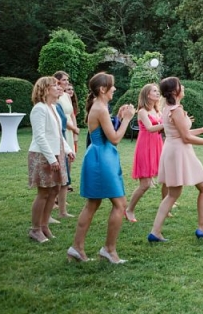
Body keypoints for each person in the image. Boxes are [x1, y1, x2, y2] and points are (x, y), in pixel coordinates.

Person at [67, 72, 135, 264]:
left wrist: (120, 118)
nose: (114, 88)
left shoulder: (100, 106)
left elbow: (108, 132)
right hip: (101, 159)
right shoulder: (100, 108)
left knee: (93, 204)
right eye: (112, 86)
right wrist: (128, 119)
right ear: (103, 89)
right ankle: (108, 250)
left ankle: (77, 248)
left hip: (101, 156)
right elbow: (114, 139)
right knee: (120, 204)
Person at [147, 77, 203, 243]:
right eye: (180, 85)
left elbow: (180, 133)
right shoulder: (177, 109)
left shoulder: (169, 108)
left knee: (174, 193)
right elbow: (186, 137)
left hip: (173, 149)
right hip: (180, 151)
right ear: (175, 91)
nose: (183, 87)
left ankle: (155, 232)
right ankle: (202, 228)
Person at [27, 76, 68, 243]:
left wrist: (68, 149)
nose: (58, 88)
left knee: (55, 190)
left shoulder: (53, 107)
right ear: (45, 89)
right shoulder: (39, 109)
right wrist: (52, 159)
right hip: (42, 155)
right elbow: (40, 136)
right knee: (44, 192)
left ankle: (44, 225)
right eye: (54, 85)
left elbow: (57, 134)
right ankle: (35, 229)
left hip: (56, 153)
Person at [125, 83, 165, 223]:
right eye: (154, 91)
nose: (157, 93)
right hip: (145, 147)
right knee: (145, 184)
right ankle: (129, 209)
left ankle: (165, 207)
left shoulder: (158, 111)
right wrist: (168, 123)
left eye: (158, 91)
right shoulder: (142, 111)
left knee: (165, 177)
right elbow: (150, 128)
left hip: (157, 145)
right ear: (148, 94)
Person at [53, 71, 79, 219]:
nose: (66, 83)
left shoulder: (65, 96)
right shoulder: (55, 100)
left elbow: (71, 115)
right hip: (62, 132)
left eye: (67, 80)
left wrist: (75, 133)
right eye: (64, 80)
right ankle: (54, 201)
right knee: (60, 169)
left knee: (68, 165)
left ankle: (61, 203)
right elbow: (61, 121)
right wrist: (72, 128)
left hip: (68, 133)